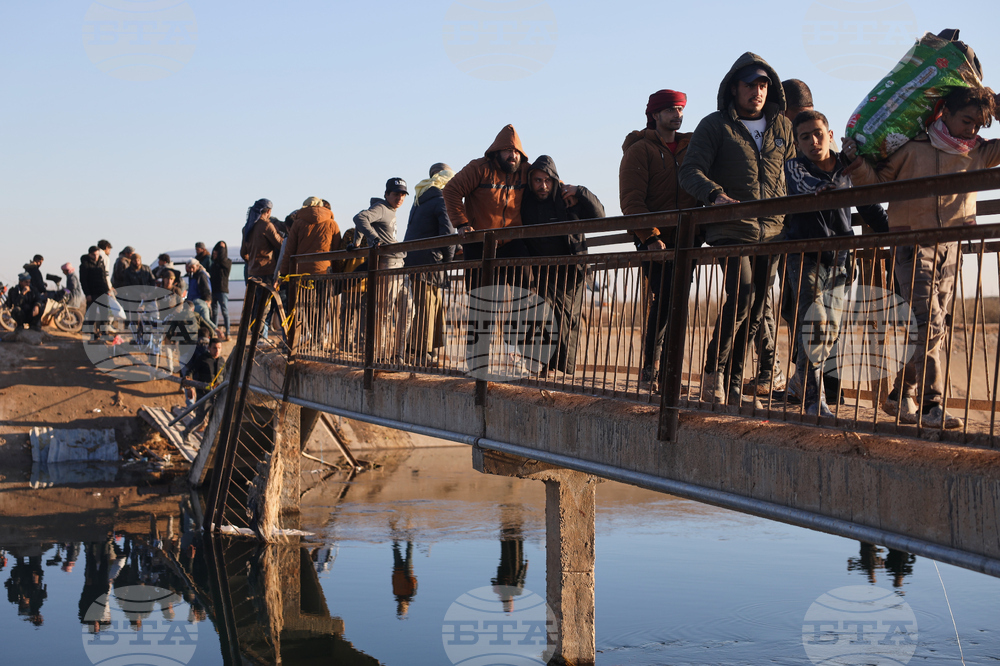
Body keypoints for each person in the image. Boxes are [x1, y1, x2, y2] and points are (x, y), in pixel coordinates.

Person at [845, 86, 1000, 428]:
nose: (971, 129)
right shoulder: (913, 149)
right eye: (966, 120)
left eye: (978, 123)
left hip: (952, 248)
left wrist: (996, 107)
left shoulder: (978, 152)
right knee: (928, 320)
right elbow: (877, 183)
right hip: (912, 245)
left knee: (935, 326)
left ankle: (902, 395)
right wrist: (856, 163)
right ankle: (932, 406)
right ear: (943, 112)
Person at [679, 53, 796, 407]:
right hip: (731, 229)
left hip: (773, 232)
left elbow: (793, 175)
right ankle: (713, 374)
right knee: (742, 297)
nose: (757, 92)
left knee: (758, 308)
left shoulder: (783, 128)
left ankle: (731, 384)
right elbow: (690, 172)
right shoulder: (715, 126)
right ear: (734, 88)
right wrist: (714, 195)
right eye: (750, 85)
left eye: (763, 85)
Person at [784, 110, 889, 416]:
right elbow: (811, 187)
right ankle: (813, 400)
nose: (813, 141)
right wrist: (850, 167)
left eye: (818, 133)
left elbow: (869, 206)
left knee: (830, 329)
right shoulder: (795, 167)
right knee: (813, 324)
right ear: (798, 143)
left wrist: (894, 234)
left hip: (841, 258)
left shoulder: (847, 166)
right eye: (805, 137)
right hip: (806, 257)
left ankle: (801, 383)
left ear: (830, 135)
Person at [619, 89, 700, 387]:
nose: (677, 115)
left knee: (677, 300)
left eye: (680, 109)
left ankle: (668, 370)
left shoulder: (692, 147)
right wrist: (650, 237)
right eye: (670, 110)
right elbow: (631, 201)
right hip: (654, 240)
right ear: (655, 115)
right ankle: (651, 368)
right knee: (665, 298)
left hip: (687, 237)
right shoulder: (640, 150)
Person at [443, 125, 532, 374]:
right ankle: (477, 362)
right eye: (506, 151)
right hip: (480, 244)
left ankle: (514, 354)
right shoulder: (479, 168)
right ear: (496, 152)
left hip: (512, 242)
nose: (511, 156)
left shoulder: (526, 171)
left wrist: (574, 191)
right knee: (482, 302)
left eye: (515, 151)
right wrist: (461, 224)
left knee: (523, 295)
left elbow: (549, 182)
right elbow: (450, 190)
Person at [521, 155, 604, 376]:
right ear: (531, 181)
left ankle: (561, 371)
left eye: (547, 180)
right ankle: (541, 367)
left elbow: (600, 215)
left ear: (555, 180)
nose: (543, 186)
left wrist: (580, 191)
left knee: (567, 321)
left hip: (570, 271)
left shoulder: (567, 198)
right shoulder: (524, 203)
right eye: (538, 180)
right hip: (540, 272)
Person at [403, 164, 458, 365]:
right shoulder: (443, 200)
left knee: (431, 305)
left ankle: (426, 351)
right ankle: (420, 354)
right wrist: (450, 260)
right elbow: (447, 233)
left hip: (416, 259)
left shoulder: (421, 198)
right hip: (430, 261)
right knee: (427, 307)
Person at [353, 179, 409, 362]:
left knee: (409, 309)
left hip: (398, 265)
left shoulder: (388, 210)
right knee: (384, 312)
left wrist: (357, 242)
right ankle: (379, 356)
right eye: (396, 194)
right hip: (388, 264)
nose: (400, 198)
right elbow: (360, 218)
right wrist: (374, 238)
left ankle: (397, 353)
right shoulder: (382, 208)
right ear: (387, 194)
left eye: (402, 194)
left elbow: (362, 219)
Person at [241, 199, 283, 338]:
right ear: (268, 211)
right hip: (267, 272)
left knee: (254, 306)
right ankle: (259, 338)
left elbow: (243, 253)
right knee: (265, 307)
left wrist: (252, 261)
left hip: (252, 273)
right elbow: (280, 245)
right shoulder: (266, 225)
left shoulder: (247, 227)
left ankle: (254, 337)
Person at [180, 337, 225, 437]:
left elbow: (226, 377)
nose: (217, 350)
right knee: (200, 418)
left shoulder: (222, 361)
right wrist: (189, 387)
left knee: (216, 418)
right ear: (209, 348)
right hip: (204, 394)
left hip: (217, 395)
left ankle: (207, 439)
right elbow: (190, 372)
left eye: (219, 348)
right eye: (214, 348)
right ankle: (185, 433)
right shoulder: (202, 359)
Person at [184, 259, 216, 335]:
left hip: (200, 303)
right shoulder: (192, 275)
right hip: (192, 303)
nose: (191, 269)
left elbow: (206, 289)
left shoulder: (201, 275)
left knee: (205, 321)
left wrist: (207, 301)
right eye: (190, 268)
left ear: (197, 266)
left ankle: (215, 333)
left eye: (193, 267)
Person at [209, 241, 232, 340]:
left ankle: (228, 333)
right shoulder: (213, 264)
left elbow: (222, 258)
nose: (215, 253)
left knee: (225, 312)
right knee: (214, 313)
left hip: (222, 291)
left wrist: (220, 249)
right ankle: (215, 332)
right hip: (213, 291)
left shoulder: (227, 262)